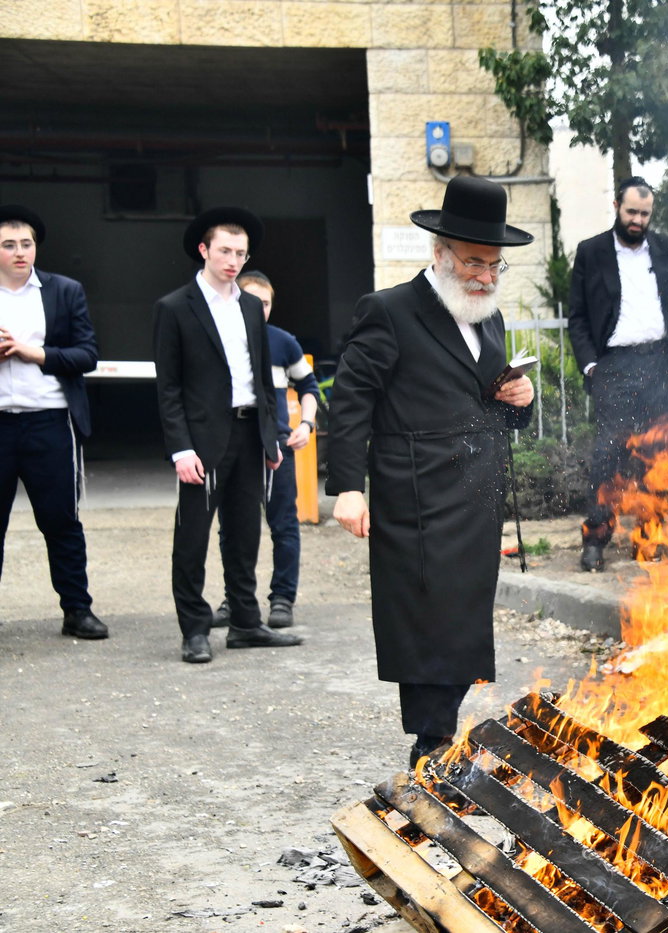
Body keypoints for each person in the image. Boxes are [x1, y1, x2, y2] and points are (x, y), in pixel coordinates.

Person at [326, 176, 535, 770]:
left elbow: (492, 400)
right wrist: (347, 487)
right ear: (439, 252)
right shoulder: (389, 310)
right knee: (422, 618)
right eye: (475, 262)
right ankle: (432, 744)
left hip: (474, 498)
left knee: (461, 620)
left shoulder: (487, 317)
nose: (486, 277)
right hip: (416, 493)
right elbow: (351, 403)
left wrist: (520, 399)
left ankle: (443, 738)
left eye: (496, 266)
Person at [154, 207, 301, 664]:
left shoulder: (250, 307)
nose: (233, 260)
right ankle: (194, 629)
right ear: (204, 250)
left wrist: (271, 437)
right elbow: (169, 387)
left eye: (240, 253)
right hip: (201, 439)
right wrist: (180, 447)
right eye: (224, 251)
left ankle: (244, 623)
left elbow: (263, 377)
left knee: (244, 533)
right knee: (193, 536)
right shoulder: (175, 308)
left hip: (249, 433)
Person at [566, 176, 668, 571]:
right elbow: (577, 317)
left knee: (659, 454)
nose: (637, 220)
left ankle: (649, 538)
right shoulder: (591, 252)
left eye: (644, 214)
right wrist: (591, 364)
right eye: (631, 212)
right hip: (615, 366)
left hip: (662, 363)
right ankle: (595, 537)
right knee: (608, 455)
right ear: (616, 206)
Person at [0, 205, 106, 639]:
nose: (20, 252)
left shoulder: (64, 291)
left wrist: (33, 352)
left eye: (26, 244)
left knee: (62, 521)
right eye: (9, 245)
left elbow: (87, 355)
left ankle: (77, 611)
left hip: (50, 421)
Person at [212, 271, 319, 630]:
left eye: (266, 303)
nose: (259, 310)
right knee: (232, 529)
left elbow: (308, 385)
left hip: (275, 447)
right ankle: (236, 600)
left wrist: (306, 424)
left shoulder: (283, 342)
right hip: (230, 447)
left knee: (283, 525)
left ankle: (282, 600)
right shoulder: (219, 341)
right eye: (251, 302)